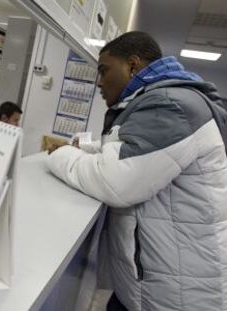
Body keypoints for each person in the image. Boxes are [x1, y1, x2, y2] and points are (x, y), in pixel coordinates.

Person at [47, 31, 227, 311]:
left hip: (176, 297)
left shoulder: (170, 106)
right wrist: (85, 148)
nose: (99, 82)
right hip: (157, 286)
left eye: (104, 71)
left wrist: (60, 155)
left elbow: (114, 181)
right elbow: (128, 147)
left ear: (133, 66)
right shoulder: (164, 100)